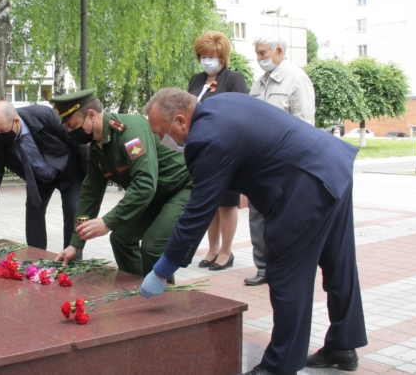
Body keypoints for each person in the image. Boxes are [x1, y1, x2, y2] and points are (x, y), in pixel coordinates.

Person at [140, 89, 366, 375]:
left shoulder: (204, 139)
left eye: (163, 133)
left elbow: (197, 212)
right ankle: (343, 345)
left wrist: (162, 269)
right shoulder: (221, 103)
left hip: (304, 186)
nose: (163, 140)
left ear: (182, 121)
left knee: (287, 275)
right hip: (332, 163)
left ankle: (279, 367)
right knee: (338, 262)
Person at [50, 89, 193, 281]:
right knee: (121, 238)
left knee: (152, 246)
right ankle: (137, 290)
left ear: (91, 115)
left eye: (72, 126)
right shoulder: (97, 149)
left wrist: (107, 222)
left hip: (181, 188)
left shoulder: (129, 132)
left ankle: (164, 299)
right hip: (155, 196)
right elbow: (89, 194)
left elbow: (144, 185)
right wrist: (75, 244)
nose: (70, 133)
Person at [0, 101, 88, 254]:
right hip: (37, 178)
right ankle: (36, 260)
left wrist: (88, 179)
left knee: (73, 211)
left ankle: (72, 262)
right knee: (33, 216)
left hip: (67, 171)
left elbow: (77, 143)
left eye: (2, 130)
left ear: (16, 121)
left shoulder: (43, 116)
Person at [245, 32, 315, 287]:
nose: (259, 59)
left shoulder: (297, 79)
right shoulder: (259, 83)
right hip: (258, 162)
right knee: (257, 217)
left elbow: (305, 124)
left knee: (285, 218)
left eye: (262, 53)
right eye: (257, 54)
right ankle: (263, 268)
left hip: (285, 162)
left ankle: (284, 269)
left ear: (278, 52)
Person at [187, 31, 249, 271]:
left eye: (212, 55)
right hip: (202, 150)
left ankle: (226, 251)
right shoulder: (196, 80)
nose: (207, 60)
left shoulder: (233, 78)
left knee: (226, 203)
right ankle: (212, 249)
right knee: (208, 203)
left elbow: (241, 112)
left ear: (222, 57)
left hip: (226, 150)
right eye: (203, 55)